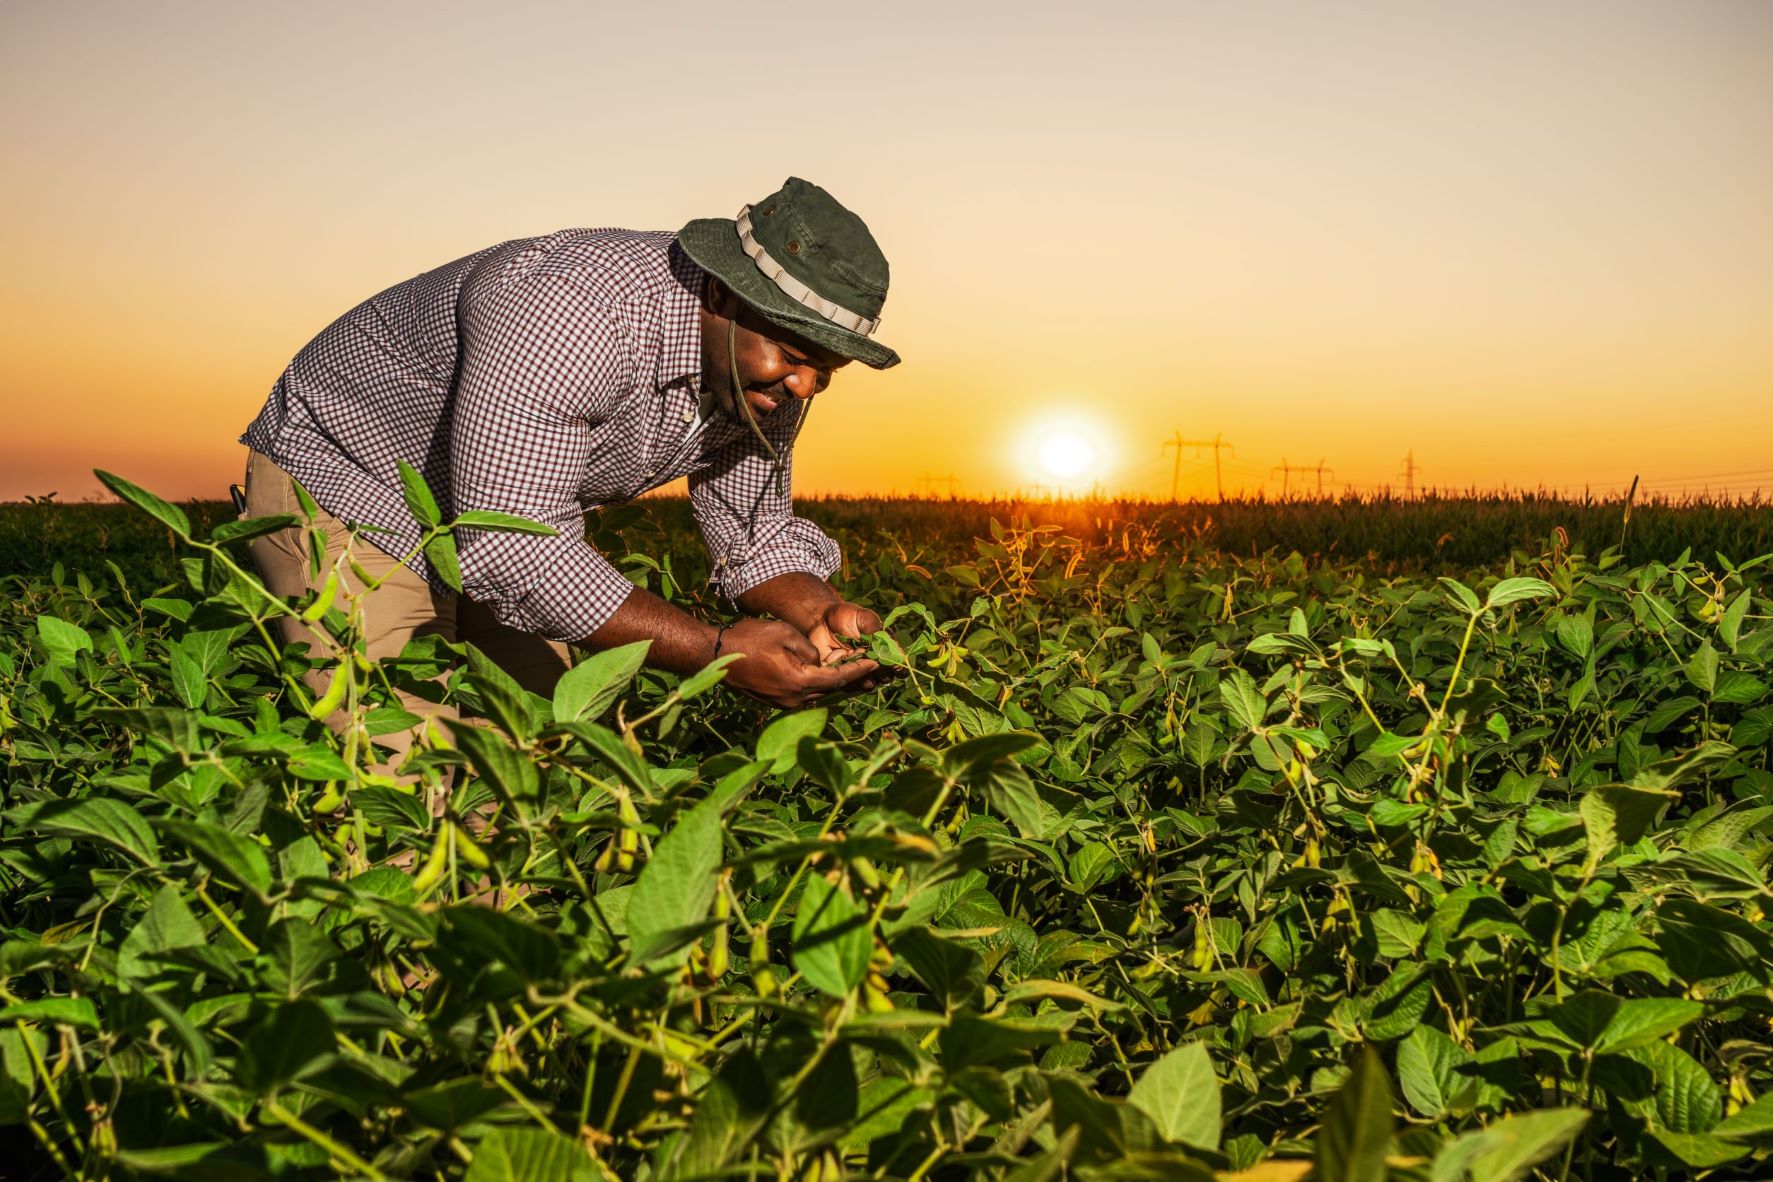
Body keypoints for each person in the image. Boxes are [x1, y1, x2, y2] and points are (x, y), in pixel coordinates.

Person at [237, 177, 895, 766]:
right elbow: (517, 550)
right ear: (722, 293)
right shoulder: (571, 310)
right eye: (791, 354)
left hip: (503, 515)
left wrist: (823, 614)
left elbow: (755, 534)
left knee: (537, 761)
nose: (805, 386)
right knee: (403, 780)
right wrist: (714, 653)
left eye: (827, 370)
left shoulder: (763, 379)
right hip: (357, 484)